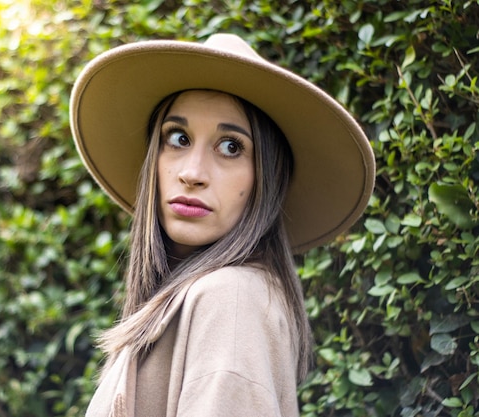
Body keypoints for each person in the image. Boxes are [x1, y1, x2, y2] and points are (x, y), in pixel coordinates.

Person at [70, 33, 375, 416]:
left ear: (266, 178)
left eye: (231, 146)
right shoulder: (195, 300)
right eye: (178, 138)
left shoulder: (228, 299)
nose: (192, 173)